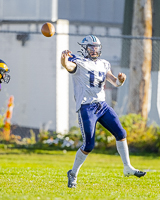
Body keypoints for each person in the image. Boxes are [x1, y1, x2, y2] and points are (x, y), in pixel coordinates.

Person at [61, 35, 146, 188]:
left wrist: (120, 80)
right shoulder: (79, 63)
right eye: (91, 47)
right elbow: (68, 66)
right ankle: (73, 174)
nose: (94, 50)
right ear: (85, 48)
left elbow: (115, 82)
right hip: (86, 107)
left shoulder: (104, 63)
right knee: (89, 145)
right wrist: (63, 59)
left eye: (96, 47)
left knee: (121, 133)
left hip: (102, 105)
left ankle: (127, 167)